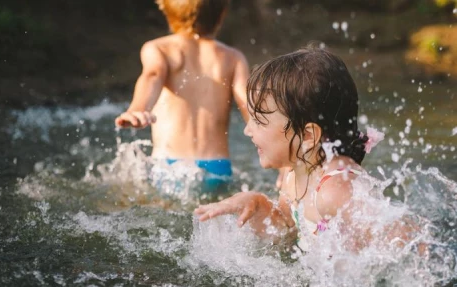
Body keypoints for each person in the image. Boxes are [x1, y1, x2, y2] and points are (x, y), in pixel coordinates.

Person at [194, 45, 389, 251]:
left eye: (259, 121)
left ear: (307, 136)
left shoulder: (336, 188)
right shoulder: (293, 174)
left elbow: (395, 231)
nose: (247, 131)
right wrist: (257, 204)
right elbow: (286, 226)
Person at [114, 0, 250, 193]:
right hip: (218, 168)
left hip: (170, 168)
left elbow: (152, 75)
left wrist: (138, 109)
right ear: (222, 14)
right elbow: (248, 104)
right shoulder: (233, 57)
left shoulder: (159, 49)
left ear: (165, 10)